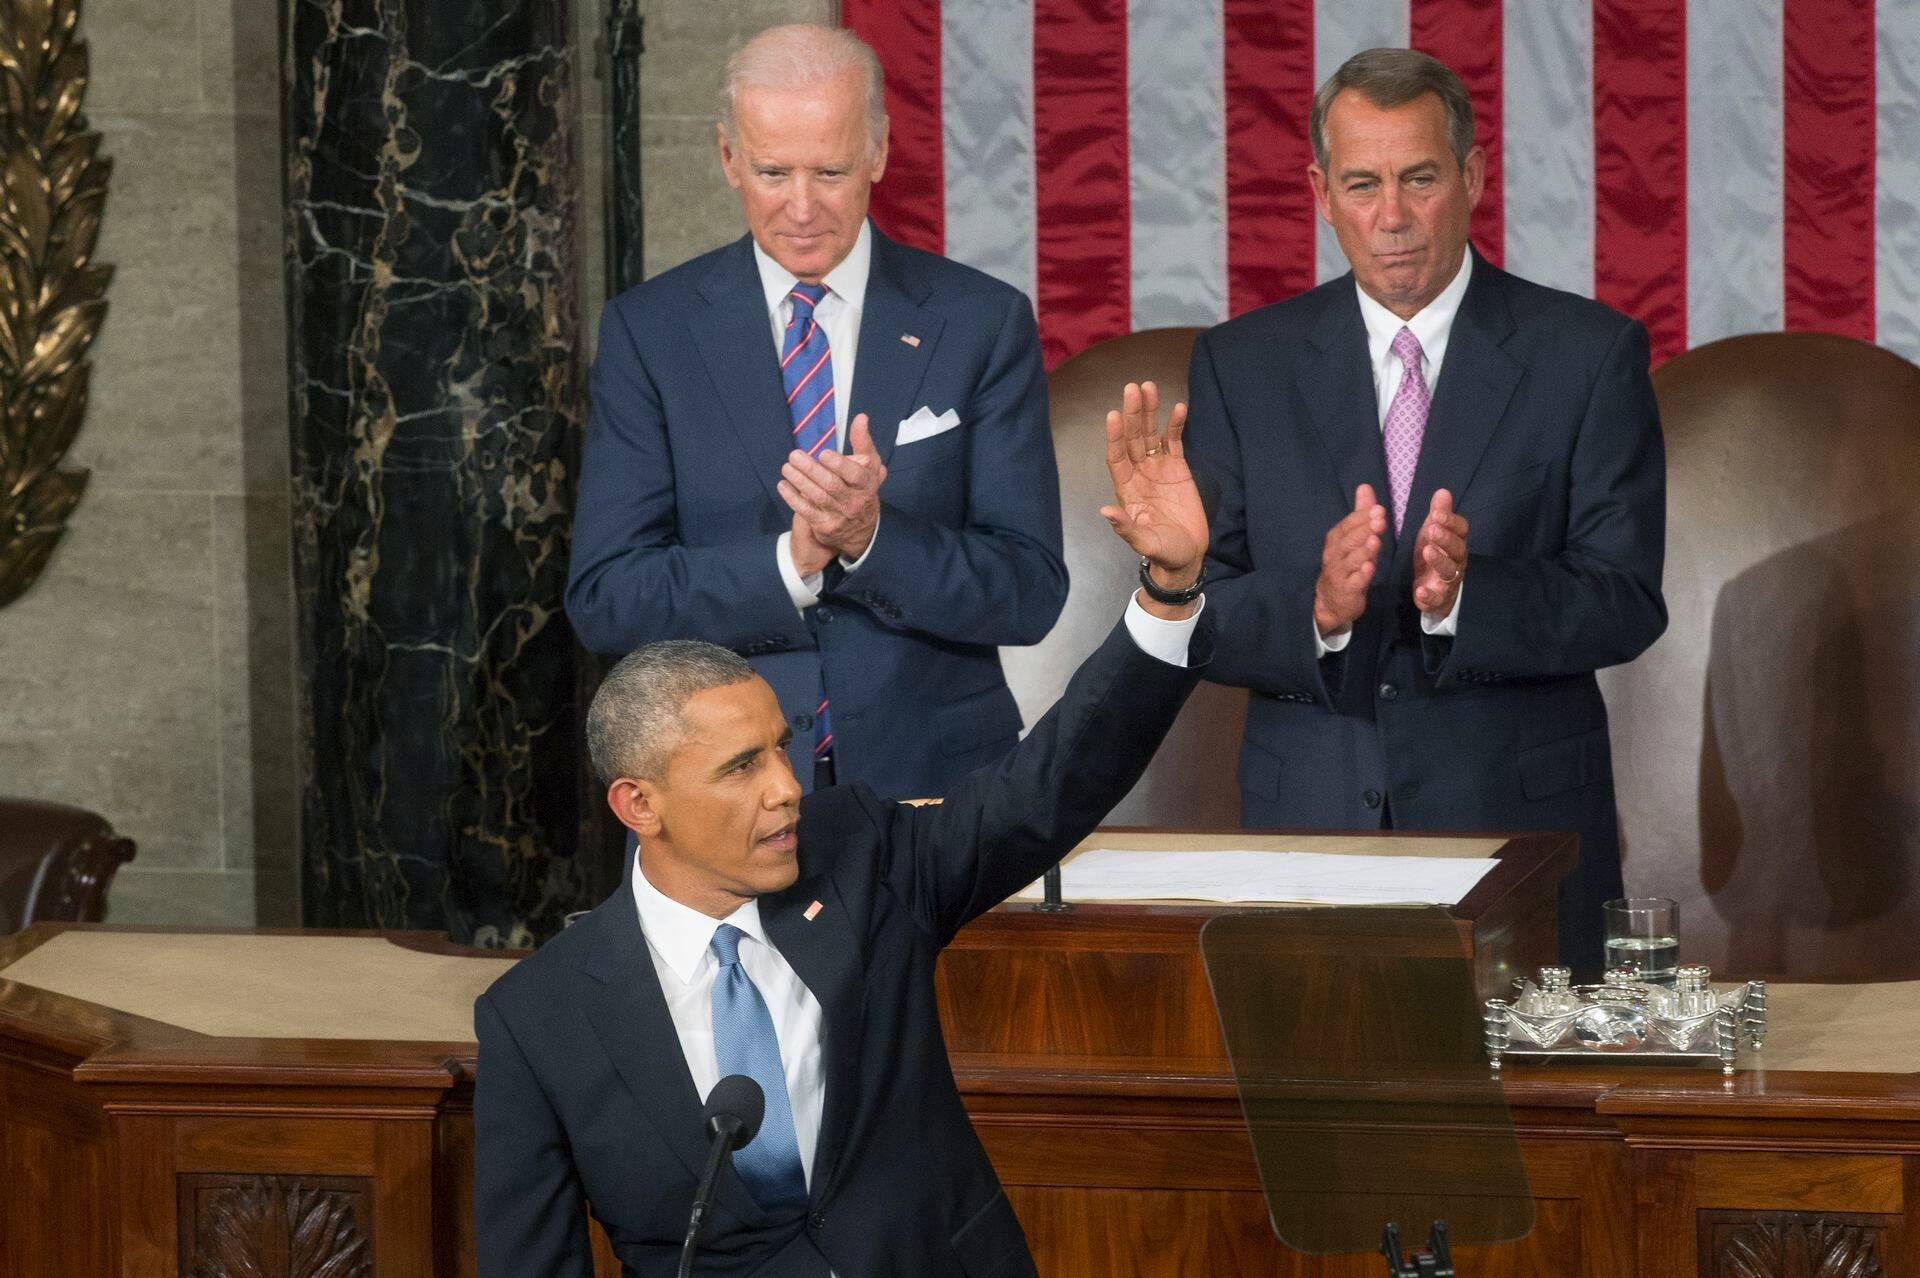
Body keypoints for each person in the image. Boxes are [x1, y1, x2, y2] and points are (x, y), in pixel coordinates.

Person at [476, 385, 1209, 1276]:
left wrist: (1168, 593)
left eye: (780, 751)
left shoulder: (863, 856)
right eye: (740, 768)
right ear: (639, 806)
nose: (788, 789)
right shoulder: (536, 1020)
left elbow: (1047, 787)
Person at [1184, 48, 1667, 970]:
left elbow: (1626, 598)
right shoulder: (1241, 366)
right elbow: (1201, 612)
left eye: (1419, 179)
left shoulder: (1587, 356)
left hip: (1517, 834)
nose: (1393, 217)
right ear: (1322, 193)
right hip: (1310, 834)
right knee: (1324, 1109)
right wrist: (1315, 611)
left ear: (1473, 176)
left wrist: (1464, 600)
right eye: (1363, 184)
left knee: (1531, 1114)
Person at [565, 23, 1067, 800]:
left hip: (936, 790)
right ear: (729, 159)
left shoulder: (981, 322)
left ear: (878, 153)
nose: (801, 207)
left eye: (830, 171)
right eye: (773, 172)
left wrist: (872, 538)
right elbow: (607, 599)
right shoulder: (649, 333)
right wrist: (790, 565)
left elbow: (1028, 591)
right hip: (716, 797)